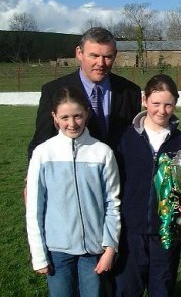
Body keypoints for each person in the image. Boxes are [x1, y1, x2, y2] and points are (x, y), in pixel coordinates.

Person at [25, 86, 121, 297]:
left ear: (86, 113)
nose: (72, 123)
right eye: (65, 117)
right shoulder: (43, 153)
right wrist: (39, 254)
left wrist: (110, 247)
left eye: (77, 116)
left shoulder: (102, 152)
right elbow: (34, 207)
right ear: (54, 118)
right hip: (57, 251)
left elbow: (112, 203)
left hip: (94, 251)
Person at [112, 74, 181, 297]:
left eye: (168, 104)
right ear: (144, 100)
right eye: (156, 104)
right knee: (127, 290)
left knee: (162, 290)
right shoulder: (123, 138)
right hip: (129, 233)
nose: (162, 111)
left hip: (166, 233)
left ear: (175, 104)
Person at [28, 26, 142, 158]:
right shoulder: (53, 91)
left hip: (119, 175)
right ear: (79, 53)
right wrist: (35, 171)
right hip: (73, 175)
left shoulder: (131, 92)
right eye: (94, 56)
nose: (101, 63)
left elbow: (134, 141)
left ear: (115, 55)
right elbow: (42, 140)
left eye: (107, 57)